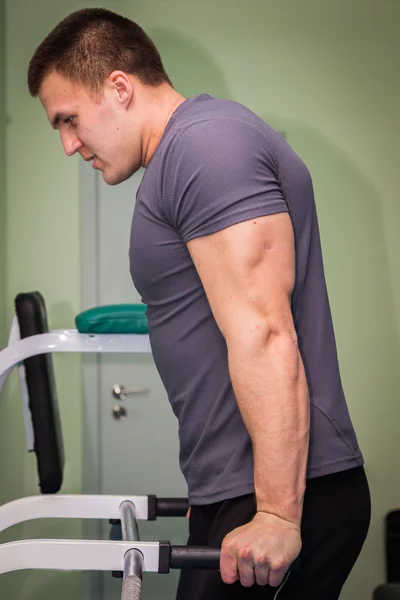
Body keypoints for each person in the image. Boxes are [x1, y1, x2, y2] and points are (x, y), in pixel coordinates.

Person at [27, 8, 371, 599]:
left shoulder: (206, 147)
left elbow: (265, 333)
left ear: (118, 86)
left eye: (69, 120)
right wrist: (212, 489)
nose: (67, 145)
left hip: (287, 496)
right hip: (239, 489)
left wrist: (278, 514)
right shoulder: (181, 158)